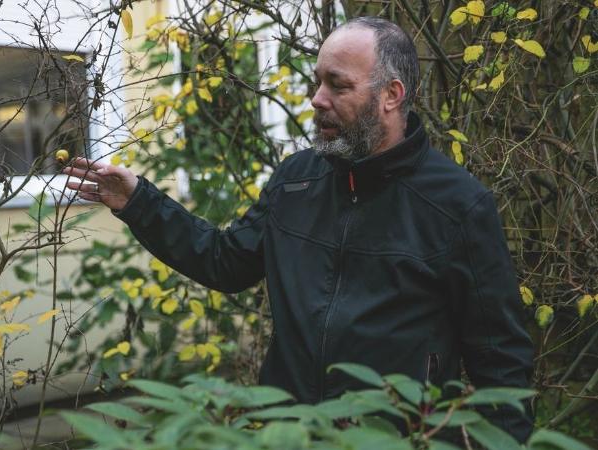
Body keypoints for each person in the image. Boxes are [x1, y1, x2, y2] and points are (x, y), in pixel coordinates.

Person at [63, 16, 534, 442]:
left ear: (391, 95)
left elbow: (501, 360)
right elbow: (226, 262)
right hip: (287, 433)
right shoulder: (297, 180)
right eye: (317, 82)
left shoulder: (456, 204)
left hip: (395, 437)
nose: (317, 99)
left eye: (337, 85)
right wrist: (139, 202)